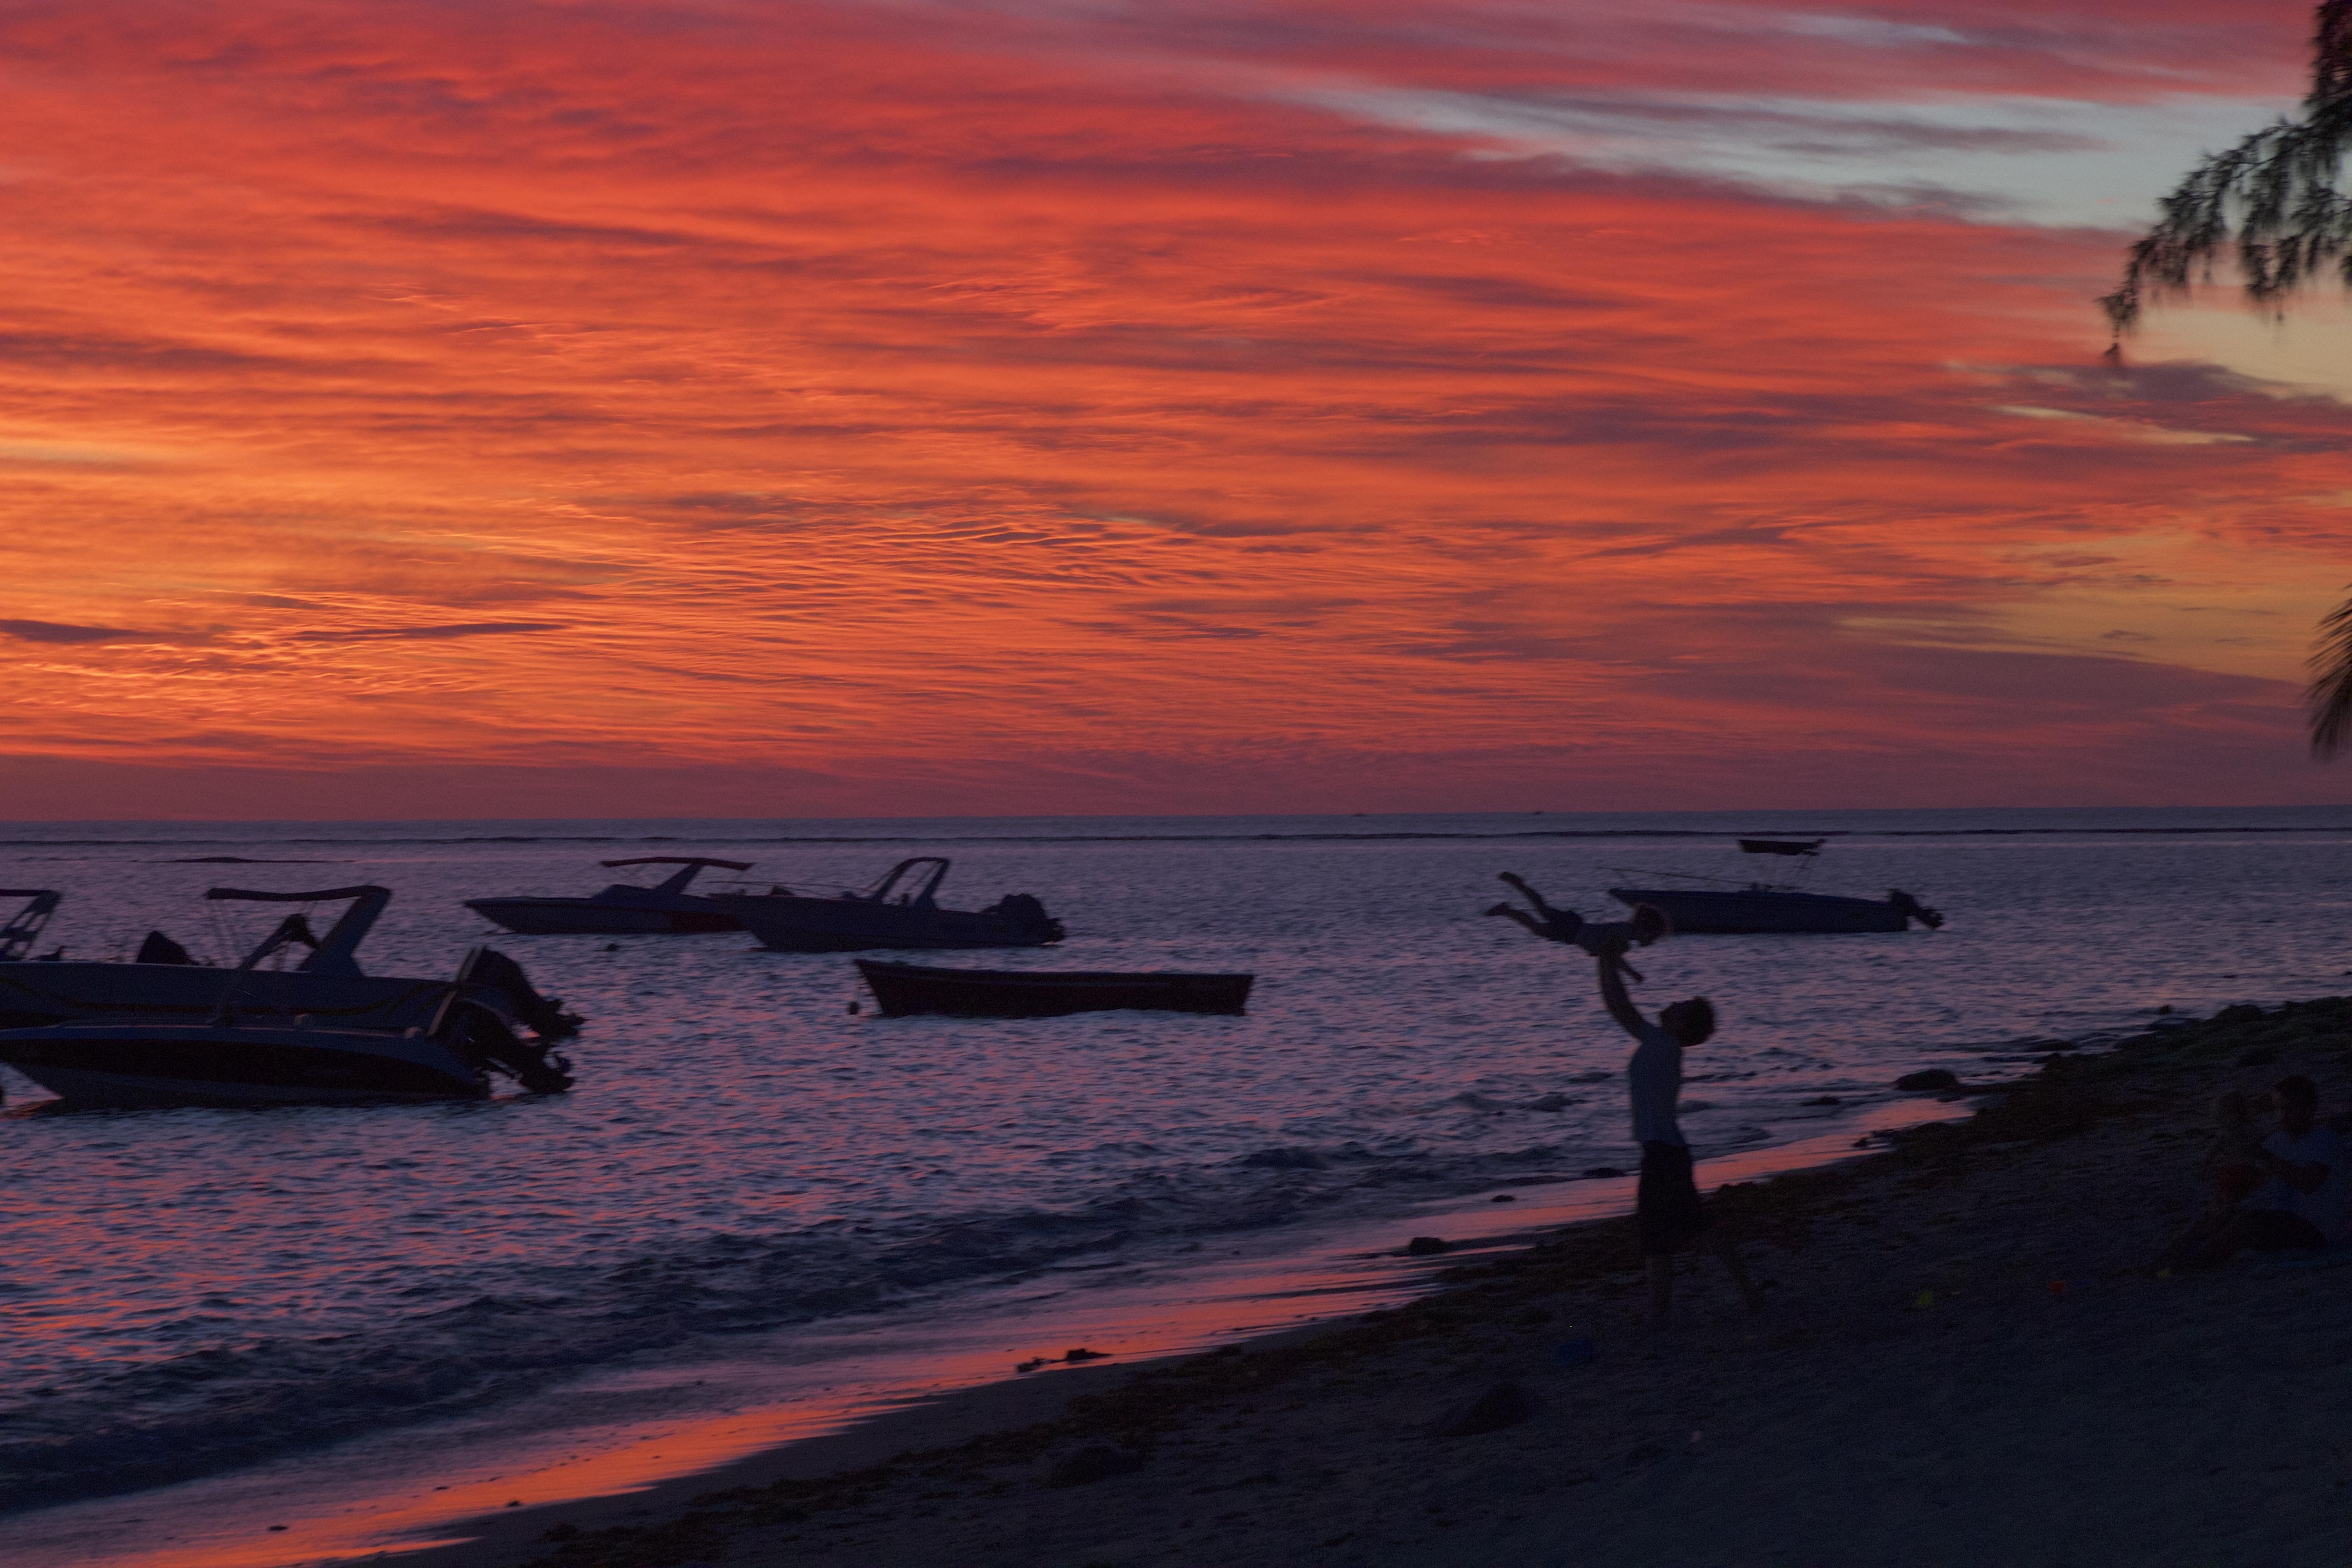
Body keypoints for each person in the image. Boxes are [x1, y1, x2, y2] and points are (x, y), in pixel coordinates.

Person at [1591, 936, 1762, 1323]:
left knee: (1657, 1235)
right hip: (1669, 1152)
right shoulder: (1664, 1046)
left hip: (1663, 1155)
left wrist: (1603, 959)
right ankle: (1747, 1293)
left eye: (1682, 1006)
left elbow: (1619, 1007)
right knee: (1695, 1228)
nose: (1674, 1003)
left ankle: (1660, 1309)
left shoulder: (1663, 1044)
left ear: (1682, 1025)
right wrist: (1604, 959)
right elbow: (1620, 1007)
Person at [2173, 1076, 2348, 1269]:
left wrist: (2266, 1158)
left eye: (2290, 1108)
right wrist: (2225, 1193)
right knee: (2218, 1218)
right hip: (2282, 1219)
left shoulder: (2324, 1140)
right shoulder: (2276, 1141)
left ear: (2310, 1108)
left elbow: (2309, 1183)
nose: (2283, 1115)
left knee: (2251, 1224)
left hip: (2319, 1227)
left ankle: (2189, 1267)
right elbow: (2258, 1182)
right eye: (2279, 1109)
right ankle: (2164, 1266)